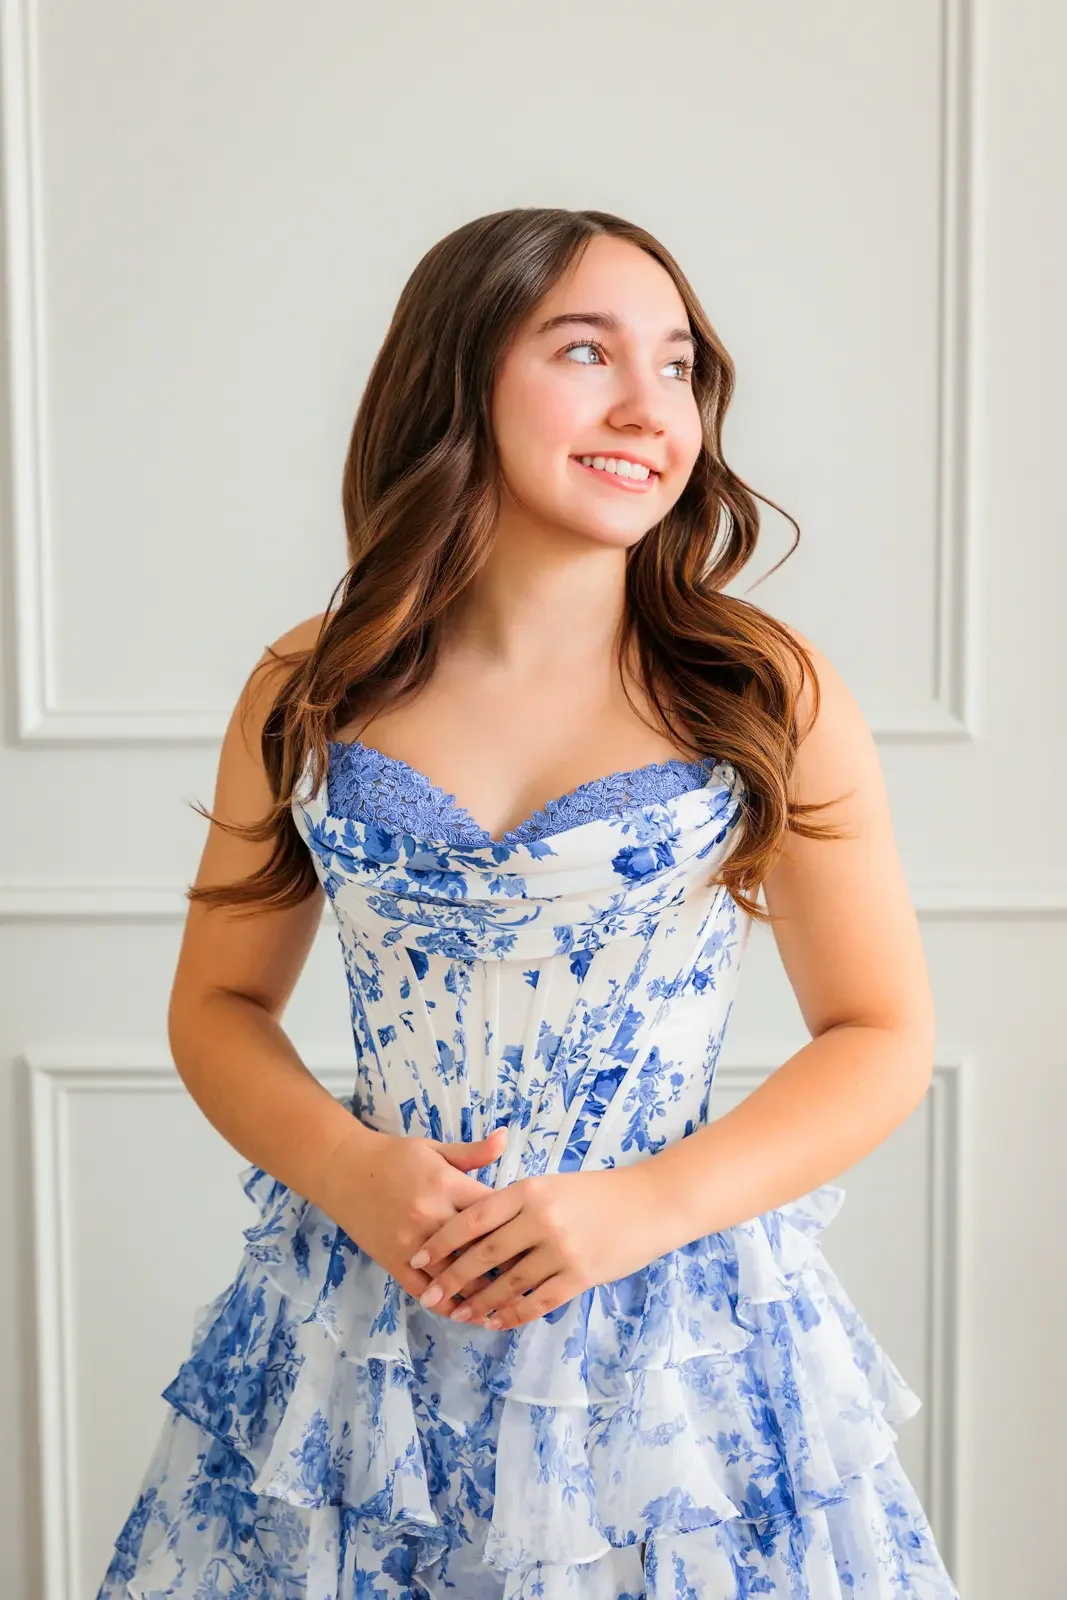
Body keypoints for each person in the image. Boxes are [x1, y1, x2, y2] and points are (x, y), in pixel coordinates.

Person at [95, 207, 960, 1598]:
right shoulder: (309, 686)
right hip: (364, 1320)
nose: (646, 406)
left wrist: (638, 1209)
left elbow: (877, 1031)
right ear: (458, 381)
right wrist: (347, 1169)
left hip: (670, 1329)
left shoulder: (757, 688)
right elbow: (218, 1003)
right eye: (584, 350)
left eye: (677, 366)